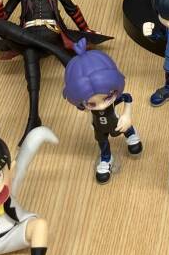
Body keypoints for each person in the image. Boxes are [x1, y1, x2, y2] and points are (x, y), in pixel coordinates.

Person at [0, 0, 110, 143]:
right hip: (29, 34)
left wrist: (85, 29)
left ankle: (33, 118)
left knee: (29, 52)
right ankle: (34, 115)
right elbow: (3, 18)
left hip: (51, 32)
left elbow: (71, 8)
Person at [61, 42, 142, 184]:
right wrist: (91, 121)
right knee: (102, 141)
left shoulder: (114, 100)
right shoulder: (86, 106)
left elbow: (127, 98)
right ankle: (106, 159)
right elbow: (87, 112)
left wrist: (127, 115)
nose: (101, 105)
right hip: (99, 127)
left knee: (123, 127)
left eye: (107, 98)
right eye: (92, 104)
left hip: (115, 121)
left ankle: (131, 134)